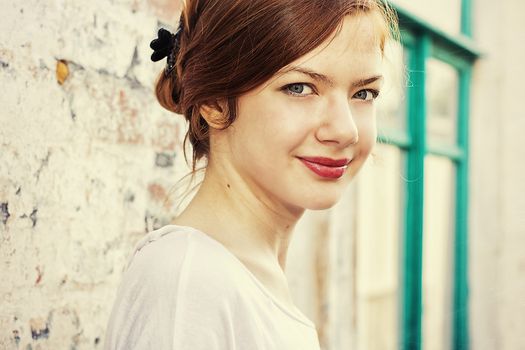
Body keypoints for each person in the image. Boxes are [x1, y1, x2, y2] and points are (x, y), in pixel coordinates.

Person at [104, 0, 398, 349]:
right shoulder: (189, 282)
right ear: (213, 102)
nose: (346, 130)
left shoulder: (240, 274)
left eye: (364, 93)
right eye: (300, 88)